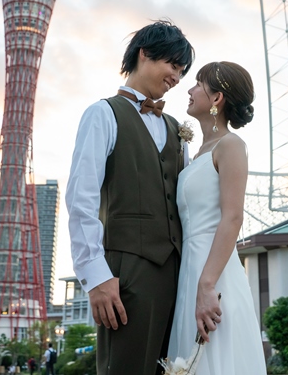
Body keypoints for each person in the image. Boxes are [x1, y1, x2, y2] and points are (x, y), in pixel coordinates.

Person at [66, 20, 195, 375]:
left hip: (178, 272)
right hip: (126, 274)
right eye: (173, 65)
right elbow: (81, 199)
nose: (177, 77)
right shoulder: (102, 114)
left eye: (183, 72)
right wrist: (95, 277)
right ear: (145, 53)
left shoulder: (176, 129)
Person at [166, 61, 266, 373]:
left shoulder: (231, 145)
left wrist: (207, 284)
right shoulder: (194, 153)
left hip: (215, 274)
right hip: (188, 272)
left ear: (217, 98)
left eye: (198, 84)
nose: (190, 89)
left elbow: (233, 217)